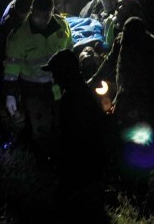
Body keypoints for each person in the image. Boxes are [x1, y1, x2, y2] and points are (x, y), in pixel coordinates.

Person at [2, 0, 73, 162]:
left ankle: (56, 156)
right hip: (33, 87)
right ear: (31, 12)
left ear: (51, 12)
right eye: (37, 16)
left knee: (58, 121)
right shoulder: (20, 36)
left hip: (56, 86)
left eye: (45, 17)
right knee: (40, 126)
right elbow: (12, 67)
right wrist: (10, 94)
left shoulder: (62, 26)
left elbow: (69, 50)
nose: (41, 21)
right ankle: (42, 160)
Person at [41, 49, 109, 222]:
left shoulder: (72, 100)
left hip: (82, 171)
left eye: (55, 73)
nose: (53, 78)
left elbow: (74, 140)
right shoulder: (82, 92)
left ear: (64, 72)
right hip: (91, 171)